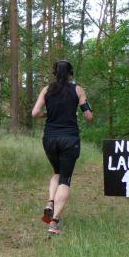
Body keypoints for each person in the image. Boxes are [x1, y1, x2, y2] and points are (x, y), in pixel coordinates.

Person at [31, 60, 94, 236]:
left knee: (57, 172)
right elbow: (88, 116)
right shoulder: (77, 89)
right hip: (69, 139)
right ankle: (54, 222)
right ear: (70, 74)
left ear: (54, 73)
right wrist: (87, 109)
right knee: (65, 179)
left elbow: (35, 113)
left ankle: (50, 202)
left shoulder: (47, 90)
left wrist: (48, 114)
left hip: (49, 139)